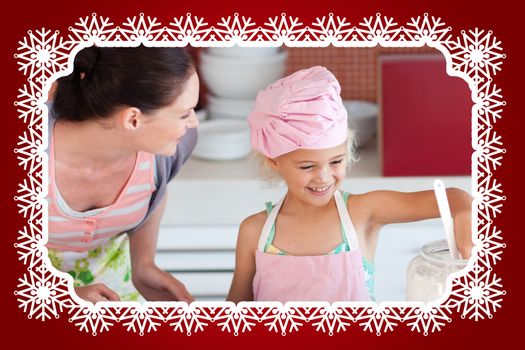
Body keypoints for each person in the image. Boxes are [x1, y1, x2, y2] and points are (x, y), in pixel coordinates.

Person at [227, 66, 473, 303]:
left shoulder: (364, 212)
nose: (323, 177)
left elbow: (452, 198)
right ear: (273, 162)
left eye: (336, 161)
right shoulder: (254, 232)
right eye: (307, 166)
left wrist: (465, 212)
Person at [46, 46, 200, 303]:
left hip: (112, 284)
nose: (194, 123)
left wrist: (144, 264)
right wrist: (62, 295)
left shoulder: (169, 150)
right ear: (132, 119)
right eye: (184, 114)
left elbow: (150, 192)